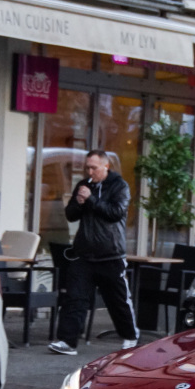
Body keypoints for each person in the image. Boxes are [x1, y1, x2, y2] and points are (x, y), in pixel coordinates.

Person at [49, 150, 139, 355]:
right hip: (84, 253)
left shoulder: (119, 186)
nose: (90, 172)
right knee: (75, 297)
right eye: (87, 167)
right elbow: (70, 215)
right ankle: (67, 341)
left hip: (110, 253)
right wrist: (79, 204)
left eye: (94, 168)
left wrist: (90, 201)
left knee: (117, 299)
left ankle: (130, 336)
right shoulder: (83, 186)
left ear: (106, 167)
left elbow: (115, 213)